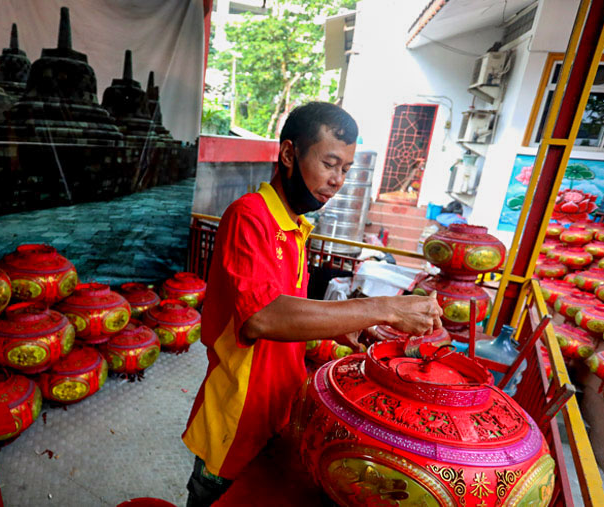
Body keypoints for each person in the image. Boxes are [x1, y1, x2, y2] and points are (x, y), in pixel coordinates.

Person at [181, 102, 443, 506]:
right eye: (330, 163)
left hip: (278, 411)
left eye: (346, 170)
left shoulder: (297, 228)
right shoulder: (249, 217)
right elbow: (263, 318)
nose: (337, 180)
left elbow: (292, 317)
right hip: (237, 419)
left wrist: (343, 329)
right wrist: (385, 308)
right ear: (289, 154)